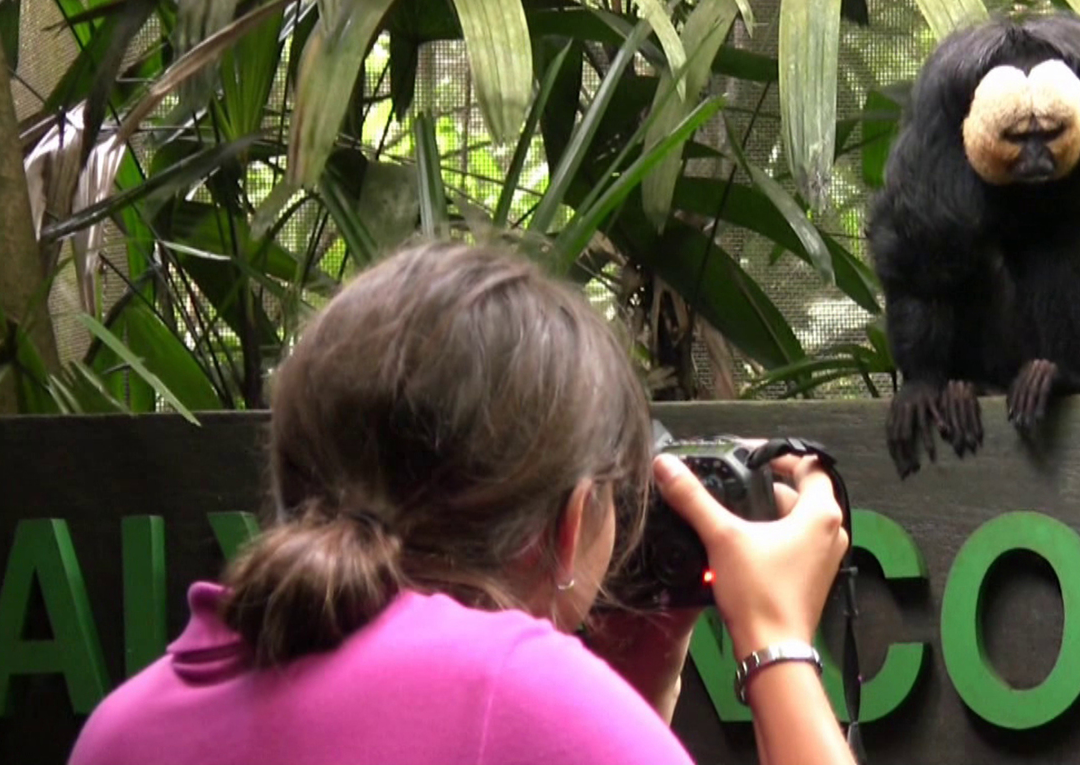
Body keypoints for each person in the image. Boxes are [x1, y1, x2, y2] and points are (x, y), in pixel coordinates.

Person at [68, 241, 858, 765]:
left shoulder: (121, 732)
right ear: (573, 517)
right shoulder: (518, 695)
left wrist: (631, 689)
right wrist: (776, 639)